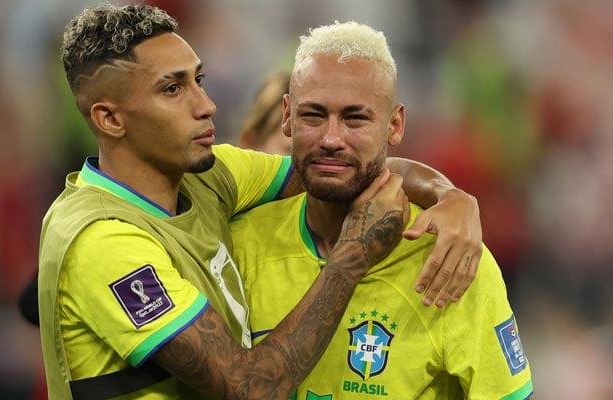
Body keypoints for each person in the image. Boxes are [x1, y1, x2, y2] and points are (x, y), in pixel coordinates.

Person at [38, 4, 482, 399]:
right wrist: (352, 255)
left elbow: (336, 166)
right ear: (110, 118)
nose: (207, 105)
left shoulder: (209, 178)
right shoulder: (102, 241)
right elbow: (251, 389)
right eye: (172, 89)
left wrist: (452, 196)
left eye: (199, 80)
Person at [232, 21, 533, 399]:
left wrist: (455, 197)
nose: (331, 138)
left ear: (395, 125)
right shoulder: (238, 245)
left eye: (355, 118)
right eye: (313, 115)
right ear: (287, 116)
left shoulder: (451, 258)